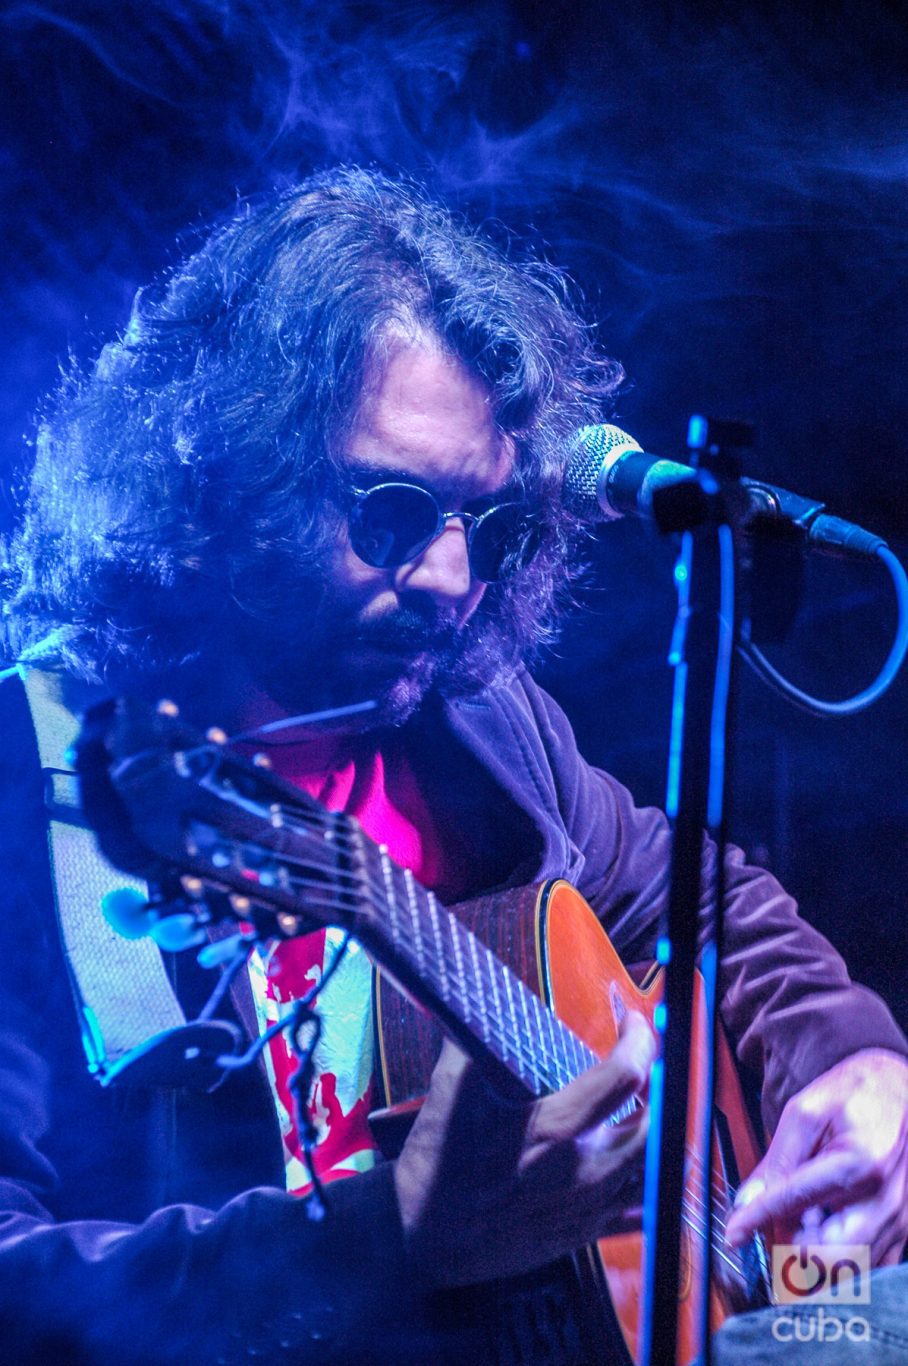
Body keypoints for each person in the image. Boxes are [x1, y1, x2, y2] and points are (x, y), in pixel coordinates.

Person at [0, 166, 905, 1364]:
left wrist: (854, 1058)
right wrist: (390, 1240)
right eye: (385, 509)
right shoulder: (39, 784)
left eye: (487, 527)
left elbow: (707, 896)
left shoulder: (475, 720)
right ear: (218, 478)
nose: (445, 579)